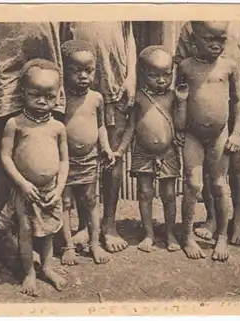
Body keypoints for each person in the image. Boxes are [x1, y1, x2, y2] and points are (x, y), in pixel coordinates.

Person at [175, 20, 240, 245]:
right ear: (194, 40)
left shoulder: (229, 66)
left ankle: (222, 236)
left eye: (221, 40)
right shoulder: (185, 67)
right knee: (193, 183)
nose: (216, 45)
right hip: (192, 135)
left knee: (218, 184)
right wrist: (179, 128)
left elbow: (238, 102)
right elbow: (179, 99)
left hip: (220, 135)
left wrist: (235, 133)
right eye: (209, 39)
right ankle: (186, 236)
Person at [0, 22, 65, 243]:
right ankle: (0, 236)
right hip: (3, 58)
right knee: (5, 158)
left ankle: (40, 237)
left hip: (44, 53)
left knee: (43, 144)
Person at [62, 21, 137, 253]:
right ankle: (85, 225)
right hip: (77, 85)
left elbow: (129, 37)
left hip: (114, 83)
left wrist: (132, 75)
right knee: (80, 161)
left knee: (111, 158)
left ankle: (110, 224)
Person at [1, 59, 68, 296]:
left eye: (49, 96)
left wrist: (59, 188)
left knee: (48, 232)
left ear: (58, 95)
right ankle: (30, 272)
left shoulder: (58, 126)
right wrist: (22, 183)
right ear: (23, 92)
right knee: (26, 231)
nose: (42, 101)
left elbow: (63, 161)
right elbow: (6, 157)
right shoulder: (15, 123)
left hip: (50, 189)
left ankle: (48, 267)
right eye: (35, 94)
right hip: (25, 190)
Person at [59, 40, 114, 265]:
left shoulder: (96, 98)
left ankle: (94, 243)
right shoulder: (60, 98)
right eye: (77, 70)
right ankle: (68, 246)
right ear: (65, 71)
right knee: (65, 203)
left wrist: (106, 147)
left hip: (90, 159)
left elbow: (100, 126)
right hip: (65, 161)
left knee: (91, 200)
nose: (84, 76)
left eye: (88, 70)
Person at [122, 46, 182, 252]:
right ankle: (148, 233)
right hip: (143, 152)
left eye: (167, 74)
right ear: (142, 74)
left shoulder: (173, 97)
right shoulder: (138, 98)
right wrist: (120, 150)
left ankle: (170, 233)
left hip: (168, 153)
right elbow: (131, 126)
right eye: (155, 75)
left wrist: (182, 103)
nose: (162, 80)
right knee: (145, 193)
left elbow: (180, 125)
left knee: (169, 194)